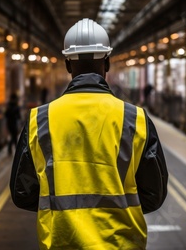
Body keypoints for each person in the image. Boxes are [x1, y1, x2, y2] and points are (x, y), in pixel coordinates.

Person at [10, 18, 168, 249]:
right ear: (107, 62)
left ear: (67, 64)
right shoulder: (135, 120)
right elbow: (153, 194)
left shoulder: (39, 121)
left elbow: (23, 192)